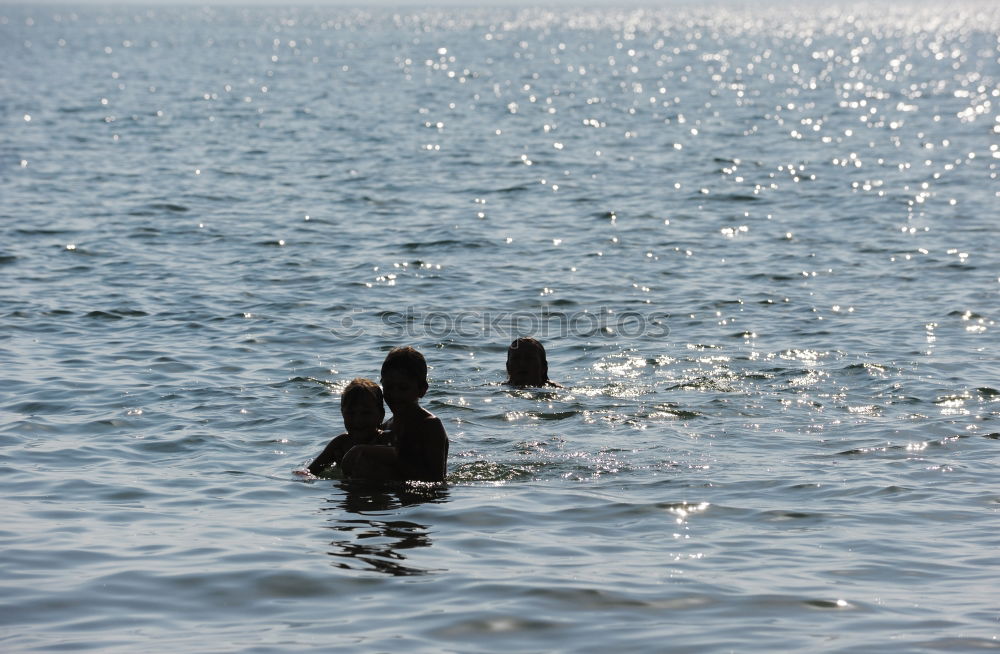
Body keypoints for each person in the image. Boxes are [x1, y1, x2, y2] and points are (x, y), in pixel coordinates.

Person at [342, 346, 449, 483]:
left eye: (403, 388)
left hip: (423, 502)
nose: (395, 395)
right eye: (389, 387)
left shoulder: (430, 425)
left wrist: (368, 451)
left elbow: (436, 480)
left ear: (422, 389)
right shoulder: (386, 426)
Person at [306, 378, 386, 476]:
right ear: (342, 414)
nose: (358, 420)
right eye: (351, 413)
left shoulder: (385, 440)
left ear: (381, 415)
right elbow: (310, 471)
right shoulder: (340, 443)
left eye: (366, 413)